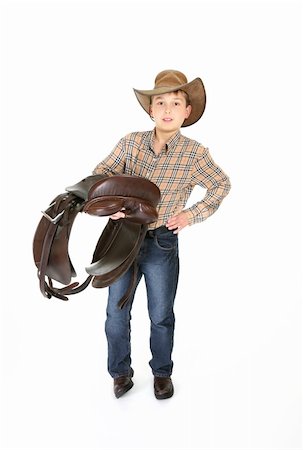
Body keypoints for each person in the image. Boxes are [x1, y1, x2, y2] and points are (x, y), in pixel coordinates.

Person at [93, 69, 231, 399]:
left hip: (161, 242)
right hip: (122, 238)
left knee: (161, 315)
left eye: (176, 102)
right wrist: (109, 203)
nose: (168, 109)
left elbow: (220, 184)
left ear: (186, 111)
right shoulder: (130, 143)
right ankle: (121, 372)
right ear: (151, 110)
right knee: (116, 312)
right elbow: (100, 174)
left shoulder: (195, 153)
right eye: (160, 102)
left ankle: (161, 372)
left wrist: (190, 215)